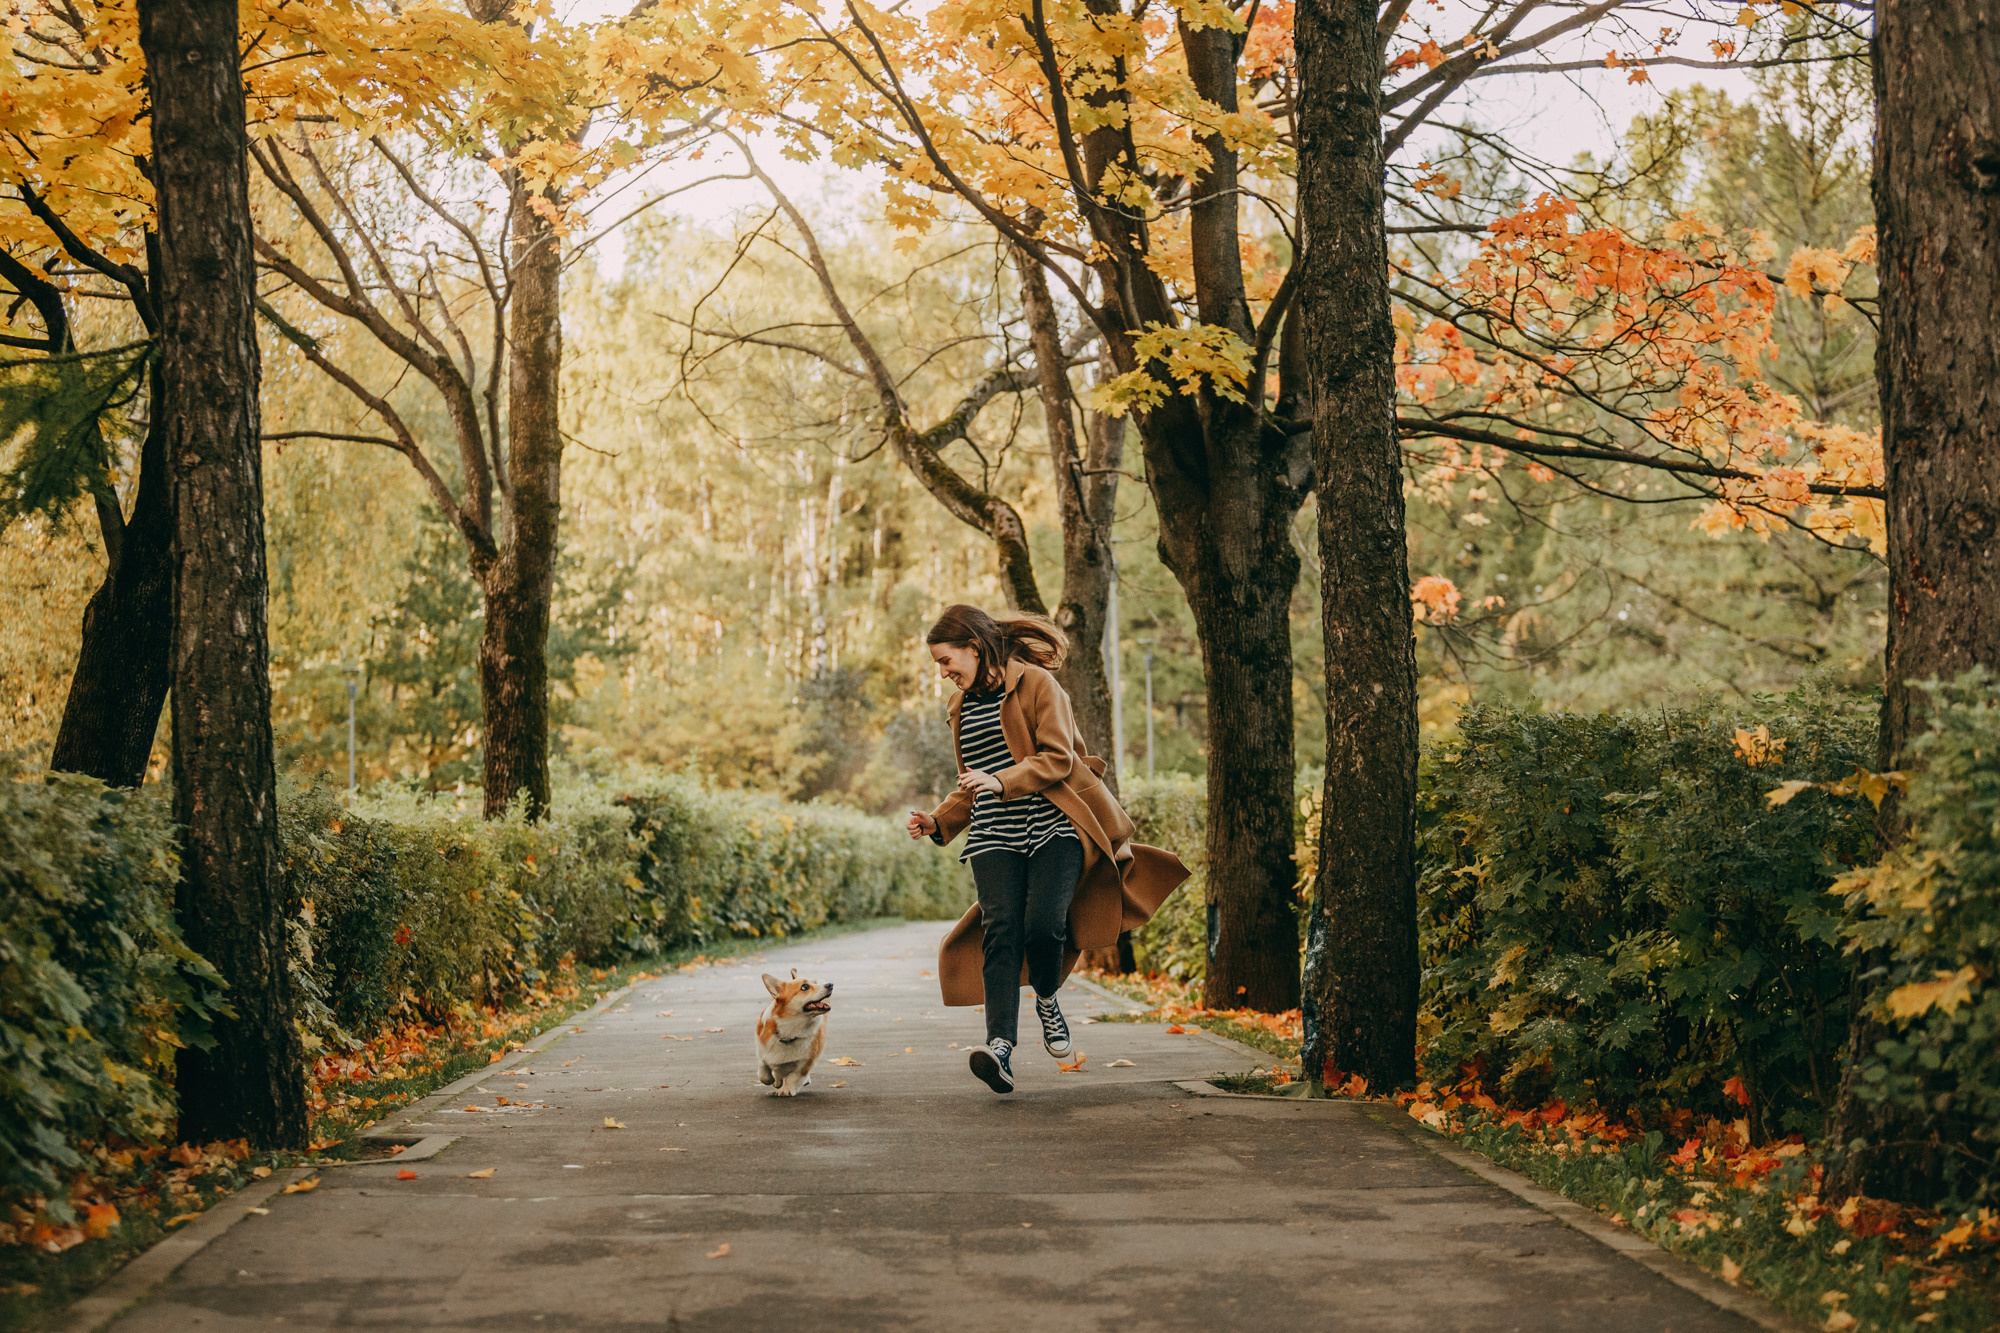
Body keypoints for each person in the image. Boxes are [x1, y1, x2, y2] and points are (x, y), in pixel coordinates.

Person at [906, 604, 1189, 1094]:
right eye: (938, 664)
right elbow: (973, 781)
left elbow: (1059, 758)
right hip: (994, 832)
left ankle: (1047, 999)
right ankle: (999, 1048)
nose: (944, 671)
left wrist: (1000, 779)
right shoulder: (959, 707)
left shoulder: (1037, 685)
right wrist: (939, 820)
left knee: (1043, 926)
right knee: (1000, 933)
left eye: (946, 660)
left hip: (1055, 826)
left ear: (974, 648)